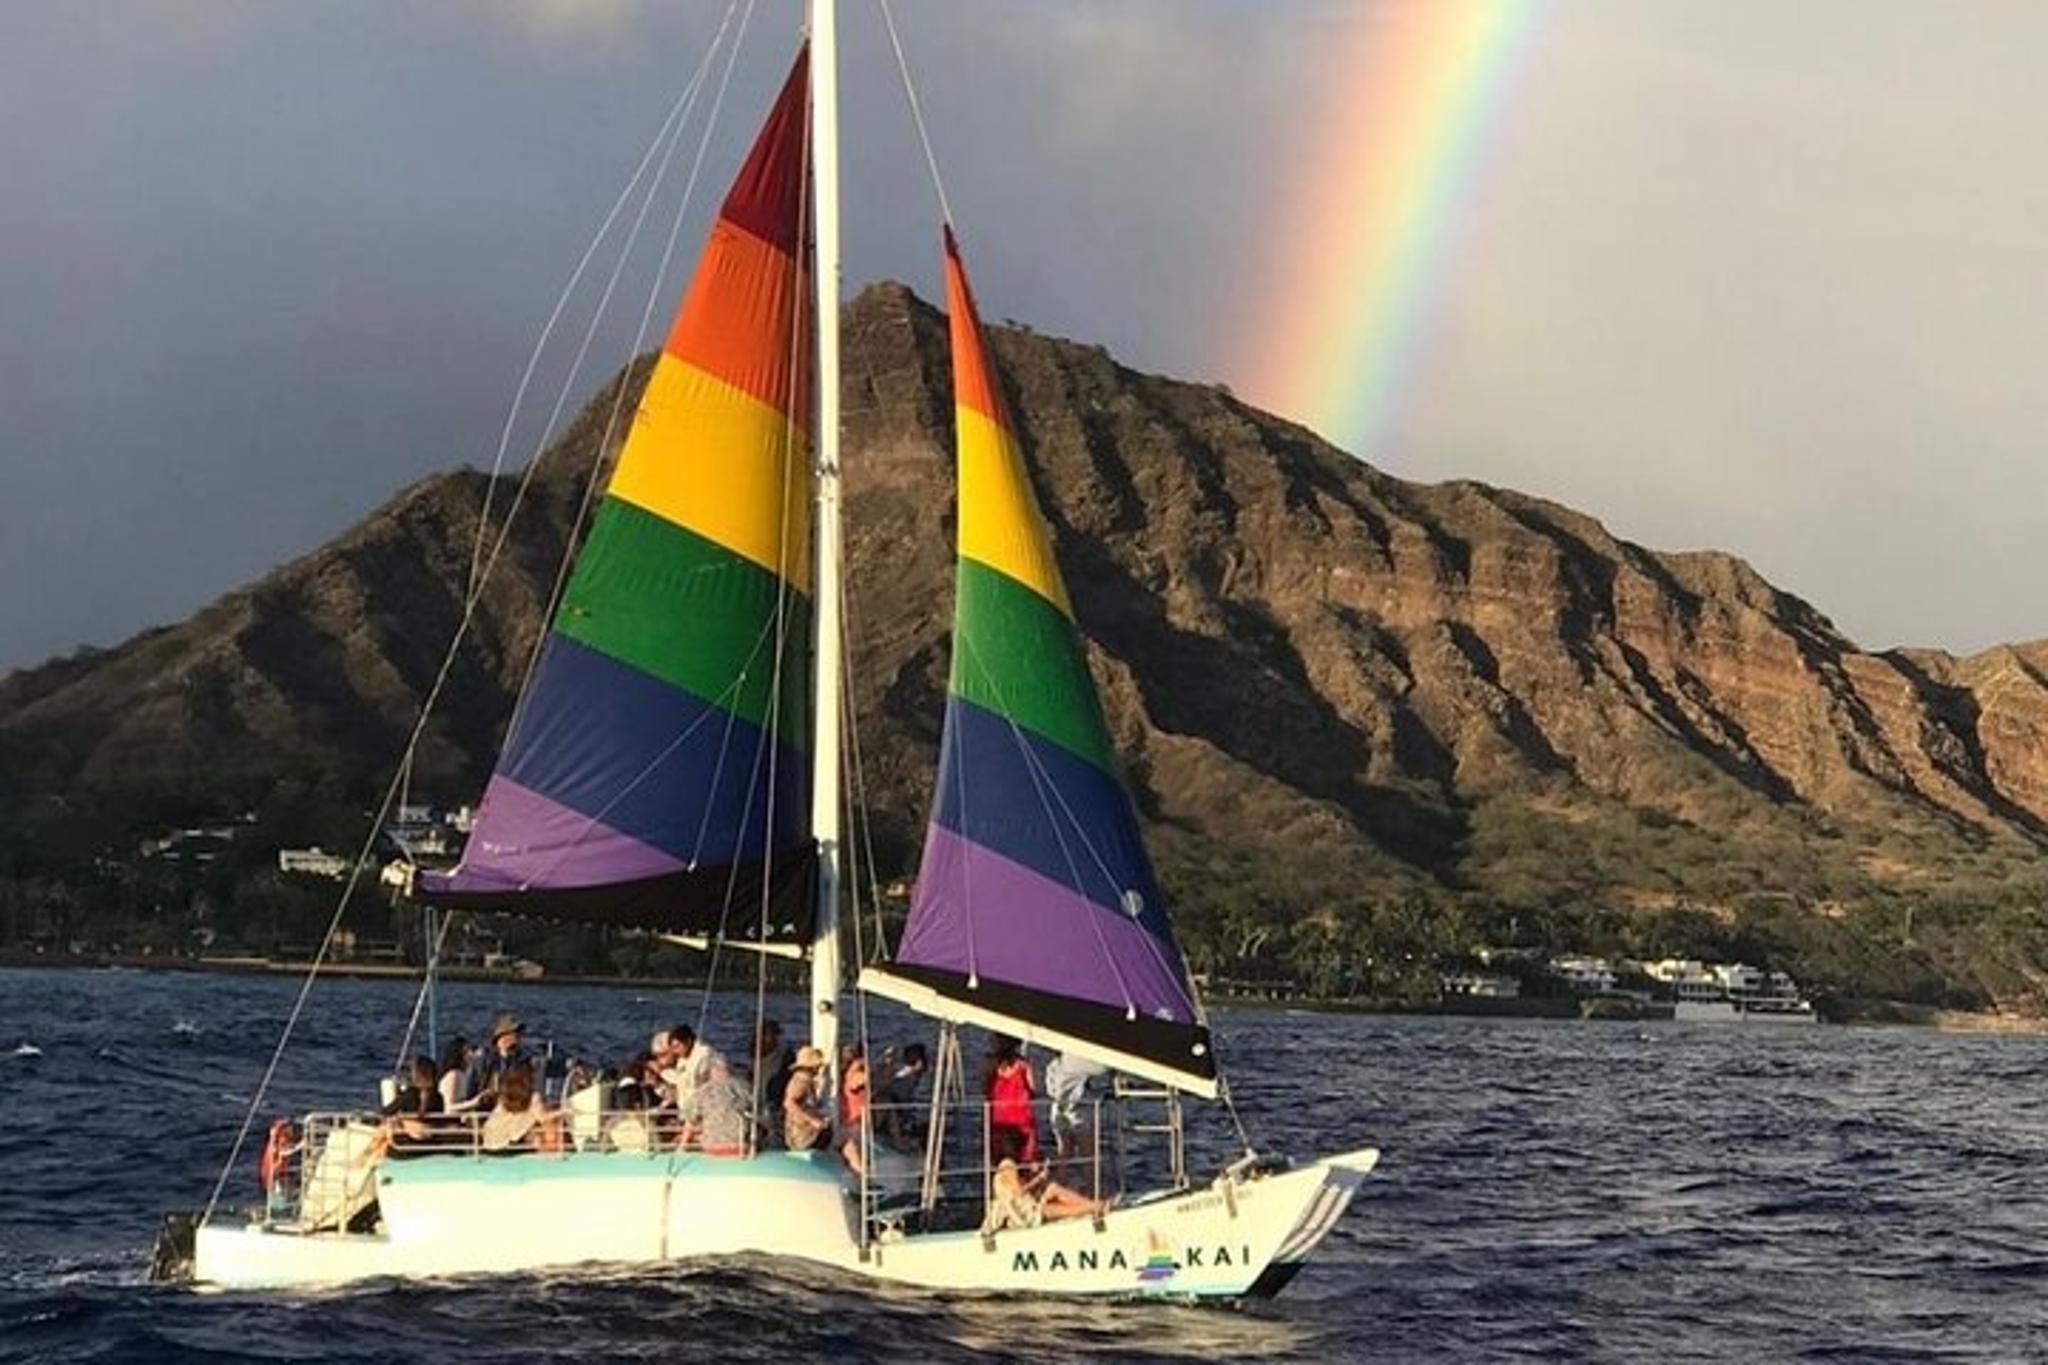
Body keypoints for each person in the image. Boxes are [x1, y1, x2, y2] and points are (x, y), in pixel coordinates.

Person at [982, 1129, 1103, 1231]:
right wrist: (1039, 1179)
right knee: (1057, 1209)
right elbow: (1018, 1193)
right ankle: (1095, 1207)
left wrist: (1036, 1176)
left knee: (1052, 1188)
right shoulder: (1008, 1165)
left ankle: (1094, 1205)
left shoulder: (1007, 1164)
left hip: (1023, 1205)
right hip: (1021, 1213)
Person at [678, 1057, 753, 1156]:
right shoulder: (744, 1088)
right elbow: (759, 1113)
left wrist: (682, 1147)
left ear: (710, 1072)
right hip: (740, 1146)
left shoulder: (702, 1091)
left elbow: (690, 1122)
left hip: (712, 1146)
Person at [480, 1062, 559, 1153]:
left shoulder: (504, 1100)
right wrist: (563, 1111)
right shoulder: (533, 1098)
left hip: (490, 1143)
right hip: (511, 1143)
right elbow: (543, 1118)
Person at [985, 1035, 1039, 1165]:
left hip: (999, 1118)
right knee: (1025, 1159)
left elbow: (985, 1088)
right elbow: (1033, 1090)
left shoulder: (991, 1065)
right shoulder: (1023, 1065)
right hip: (1021, 1118)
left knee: (1000, 1159)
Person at [1044, 1051, 1108, 1159]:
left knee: (1064, 1150)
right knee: (1087, 1152)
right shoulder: (1076, 1060)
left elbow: (1050, 1090)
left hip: (1057, 1108)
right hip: (1078, 1109)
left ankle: (1060, 1170)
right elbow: (1102, 1068)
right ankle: (1090, 1171)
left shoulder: (1054, 1064)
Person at [380, 1055, 446, 1154]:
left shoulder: (411, 1094)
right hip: (431, 1142)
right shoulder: (439, 1097)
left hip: (409, 1145)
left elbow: (386, 1111)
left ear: (416, 1074)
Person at [781, 1046, 831, 1153]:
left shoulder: (805, 1080)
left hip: (803, 1130)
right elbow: (789, 1103)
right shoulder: (801, 1081)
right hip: (801, 1132)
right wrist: (811, 1120)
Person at [475, 1013, 533, 1100]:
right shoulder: (485, 1059)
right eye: (514, 1033)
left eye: (518, 1033)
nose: (518, 1037)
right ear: (502, 1036)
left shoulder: (523, 1060)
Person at [837, 1054, 870, 1175]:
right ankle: (862, 1176)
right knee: (850, 1147)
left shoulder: (856, 1083)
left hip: (858, 1124)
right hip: (850, 1125)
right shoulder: (851, 1081)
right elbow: (864, 1078)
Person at [437, 1037, 482, 1114]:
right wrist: (475, 1102)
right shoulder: (454, 1076)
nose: (471, 1054)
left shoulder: (464, 1075)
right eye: (467, 1051)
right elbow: (449, 1107)